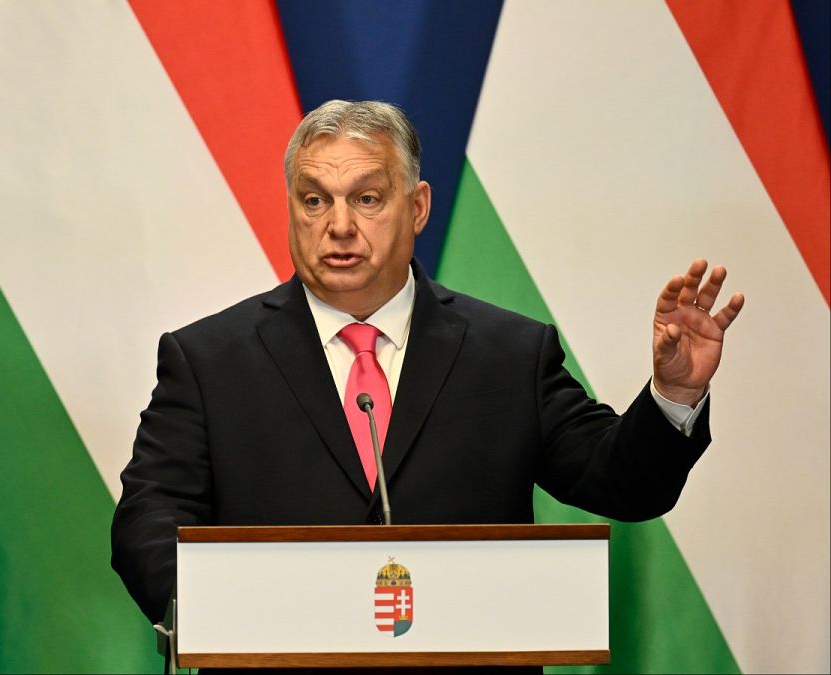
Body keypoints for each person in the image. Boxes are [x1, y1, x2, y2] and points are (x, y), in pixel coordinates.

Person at [110, 100, 744, 625]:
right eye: (314, 200)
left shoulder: (510, 355)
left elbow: (623, 484)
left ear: (416, 208)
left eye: (366, 199)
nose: (338, 225)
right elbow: (148, 518)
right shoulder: (208, 360)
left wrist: (673, 394)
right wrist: (219, 613)